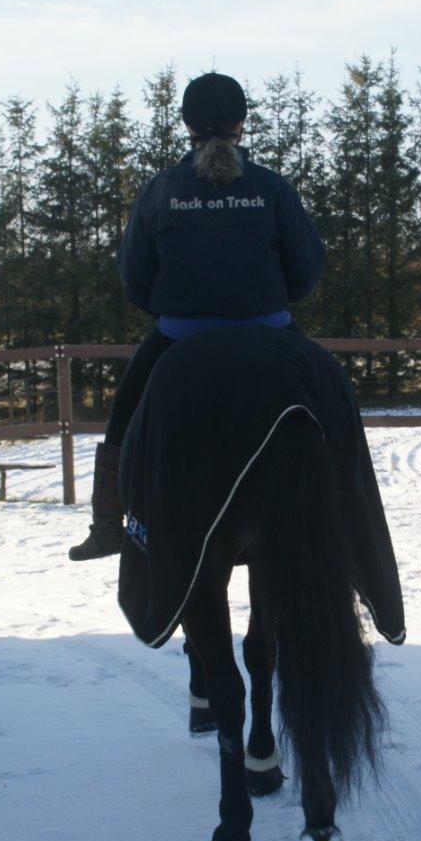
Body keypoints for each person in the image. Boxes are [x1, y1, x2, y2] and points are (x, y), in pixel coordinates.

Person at [68, 70, 325, 561]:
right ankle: (344, 516)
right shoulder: (272, 188)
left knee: (123, 417)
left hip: (177, 339)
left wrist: (177, 311)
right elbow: (307, 268)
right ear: (241, 125)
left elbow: (134, 278)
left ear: (186, 125)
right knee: (331, 405)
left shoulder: (160, 190)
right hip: (270, 333)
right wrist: (266, 305)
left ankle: (107, 525)